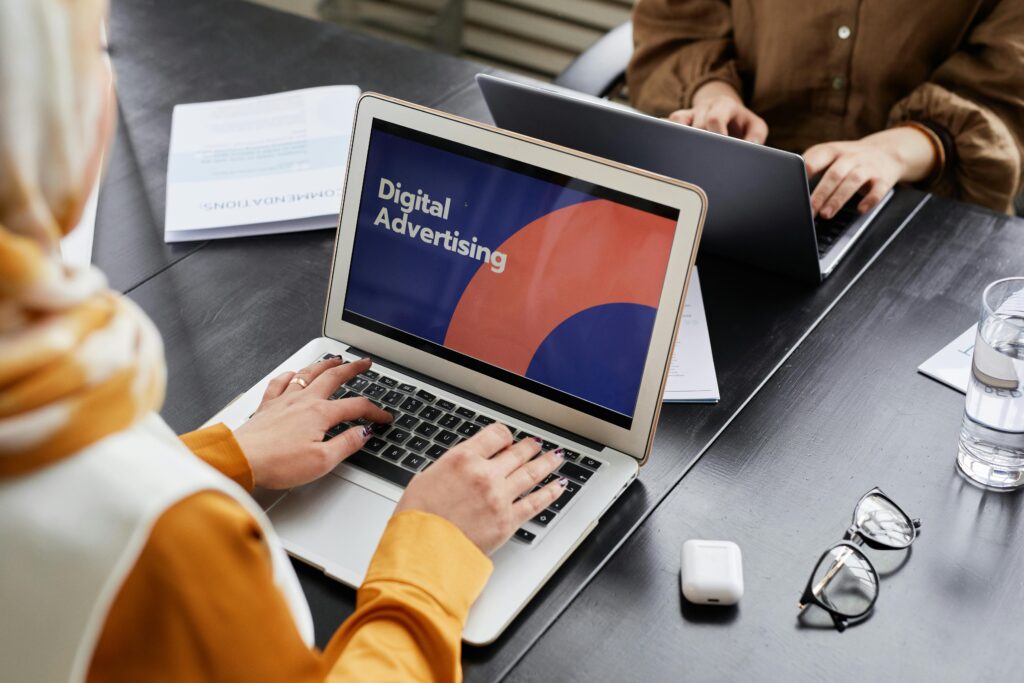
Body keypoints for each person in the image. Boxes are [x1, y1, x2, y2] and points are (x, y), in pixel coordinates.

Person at [0, 1, 567, 681]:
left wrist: (221, 456)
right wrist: (429, 560)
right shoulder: (174, 557)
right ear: (70, 127)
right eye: (93, 56)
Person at [627, 0, 1024, 217]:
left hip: (919, 209)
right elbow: (676, 26)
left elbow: (1007, 97)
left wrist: (893, 152)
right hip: (729, 188)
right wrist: (714, 95)